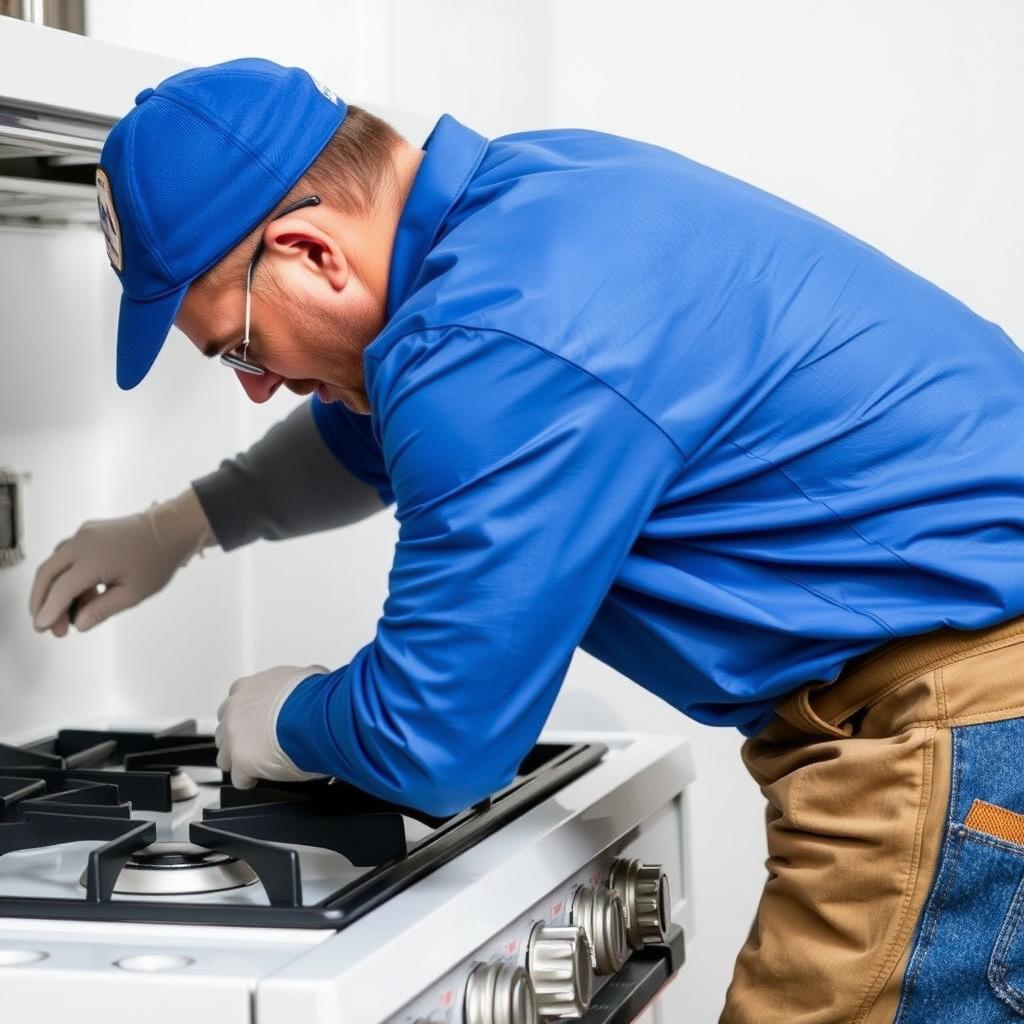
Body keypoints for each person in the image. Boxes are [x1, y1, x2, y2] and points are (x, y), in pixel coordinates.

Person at [26, 58, 1024, 1023]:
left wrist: (282, 719)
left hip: (956, 722)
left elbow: (433, 740)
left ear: (311, 252)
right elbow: (358, 434)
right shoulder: (530, 203)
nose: (256, 387)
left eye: (241, 346)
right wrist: (177, 527)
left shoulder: (485, 339)